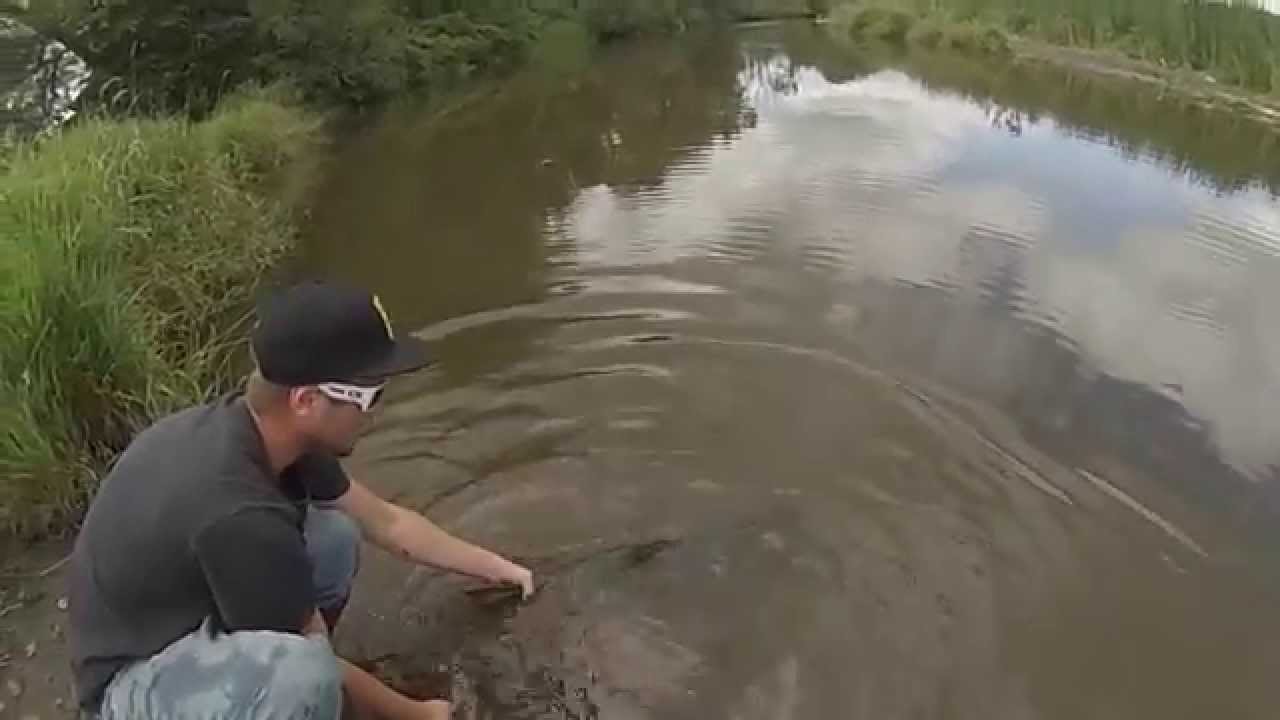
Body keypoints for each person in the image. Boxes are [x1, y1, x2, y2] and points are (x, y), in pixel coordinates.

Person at [68, 281, 535, 720]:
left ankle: (276, 660)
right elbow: (316, 661)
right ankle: (276, 688)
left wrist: (498, 567)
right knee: (306, 677)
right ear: (307, 401)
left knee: (335, 537)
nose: (375, 411)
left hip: (182, 614)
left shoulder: (270, 437)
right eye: (370, 395)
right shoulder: (242, 512)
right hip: (127, 685)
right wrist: (420, 713)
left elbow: (388, 523)